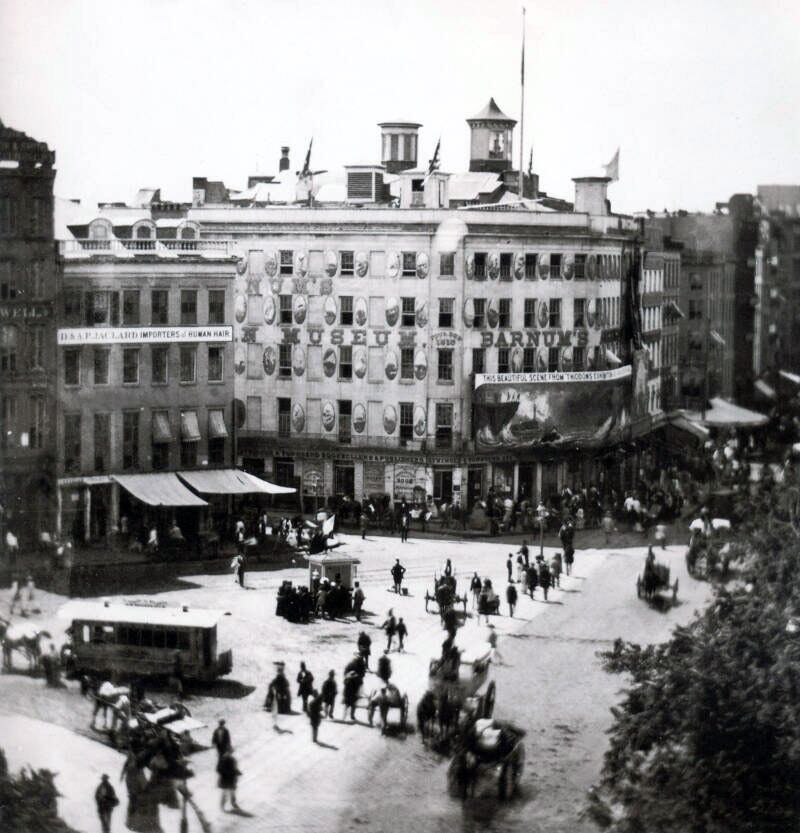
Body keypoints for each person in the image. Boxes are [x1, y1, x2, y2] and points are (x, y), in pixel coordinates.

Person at [217, 747, 241, 812]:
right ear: (226, 752)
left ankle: (233, 804)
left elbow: (235, 768)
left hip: (231, 779)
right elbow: (219, 769)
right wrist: (230, 772)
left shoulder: (233, 759)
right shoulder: (223, 759)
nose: (230, 753)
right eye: (229, 752)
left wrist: (237, 772)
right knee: (225, 793)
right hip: (225, 779)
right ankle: (223, 806)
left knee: (232, 792)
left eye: (231, 752)